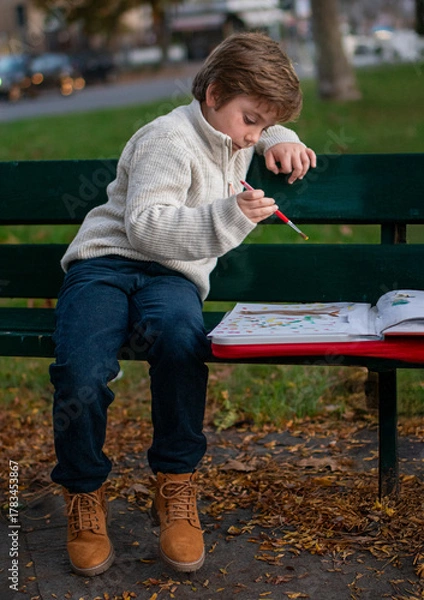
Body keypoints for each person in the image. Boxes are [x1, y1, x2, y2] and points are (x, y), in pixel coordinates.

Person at [49, 31, 316, 577]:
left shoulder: (232, 132)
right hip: (106, 265)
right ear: (213, 93)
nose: (253, 137)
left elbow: (239, 134)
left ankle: (175, 482)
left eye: (263, 125)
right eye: (251, 121)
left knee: (180, 342)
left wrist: (278, 139)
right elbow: (145, 229)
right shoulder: (166, 139)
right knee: (81, 370)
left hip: (171, 278)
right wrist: (231, 216)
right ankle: (83, 492)